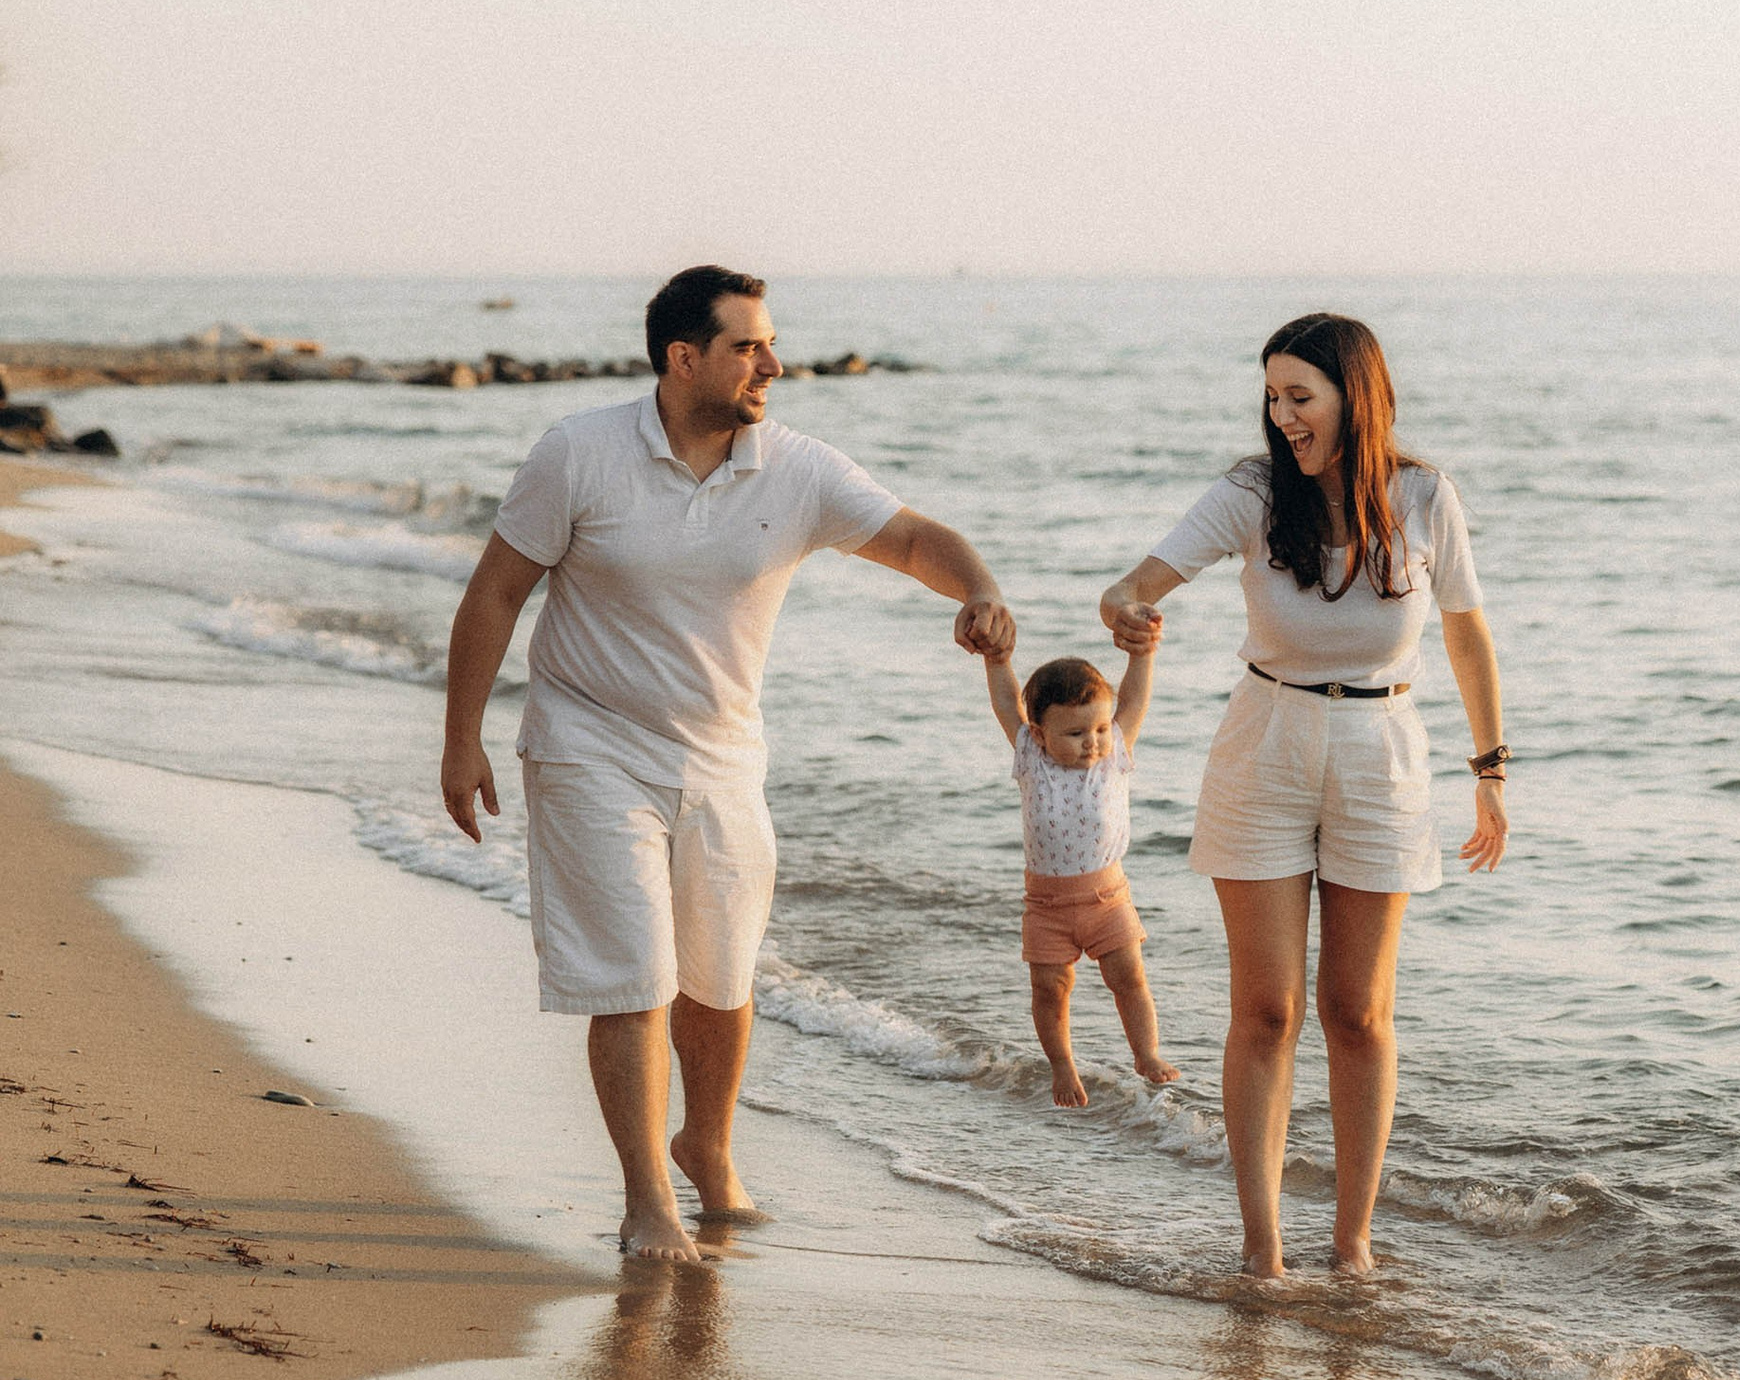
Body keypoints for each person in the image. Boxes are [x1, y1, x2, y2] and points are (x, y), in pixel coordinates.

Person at [440, 264, 1014, 1263]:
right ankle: (646, 1199)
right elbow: (496, 592)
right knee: (634, 974)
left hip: (724, 756)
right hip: (588, 742)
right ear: (683, 358)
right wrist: (461, 739)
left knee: (719, 975)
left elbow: (913, 537)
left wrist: (976, 590)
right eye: (749, 346)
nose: (773, 365)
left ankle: (705, 1148)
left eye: (770, 343)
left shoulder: (795, 469)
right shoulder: (578, 454)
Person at [1098, 312, 1509, 1277]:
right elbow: (1136, 581)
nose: (1282, 416)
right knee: (1267, 1009)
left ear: (1351, 398)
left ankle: (1354, 1244)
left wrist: (1489, 771)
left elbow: (1467, 636)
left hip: (1384, 753)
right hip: (1265, 745)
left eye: (1300, 396)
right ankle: (1262, 1247)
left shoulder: (1423, 496)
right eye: (1273, 396)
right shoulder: (1251, 493)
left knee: (1358, 1011)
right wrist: (1126, 609)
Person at [981, 639, 1181, 1107]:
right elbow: (1006, 706)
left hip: (1108, 899)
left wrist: (1142, 657)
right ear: (1039, 734)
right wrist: (998, 662)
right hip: (1047, 907)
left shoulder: (1114, 755)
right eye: (1075, 733)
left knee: (1129, 977)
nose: (1092, 741)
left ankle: (1146, 1051)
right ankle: (1062, 1064)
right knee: (1050, 989)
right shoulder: (1031, 759)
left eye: (1098, 728)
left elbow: (1133, 702)